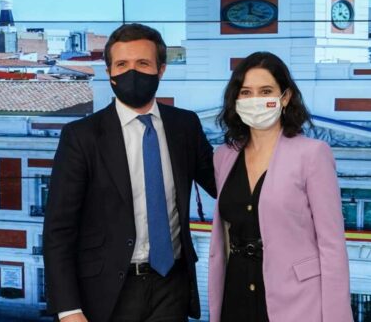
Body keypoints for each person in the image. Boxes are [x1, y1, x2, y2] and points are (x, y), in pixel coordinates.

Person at [43, 23, 216, 322]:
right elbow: (59, 229)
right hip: (107, 290)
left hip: (171, 285)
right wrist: (68, 309)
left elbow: (222, 184)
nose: (131, 72)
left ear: (161, 70)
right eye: (122, 64)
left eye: (143, 63)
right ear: (109, 73)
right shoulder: (81, 136)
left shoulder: (185, 126)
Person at [208, 51, 353, 322]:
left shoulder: (313, 154)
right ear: (236, 99)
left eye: (266, 91)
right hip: (235, 291)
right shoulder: (224, 156)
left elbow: (332, 247)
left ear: (284, 97)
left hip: (296, 298)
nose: (255, 100)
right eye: (246, 92)